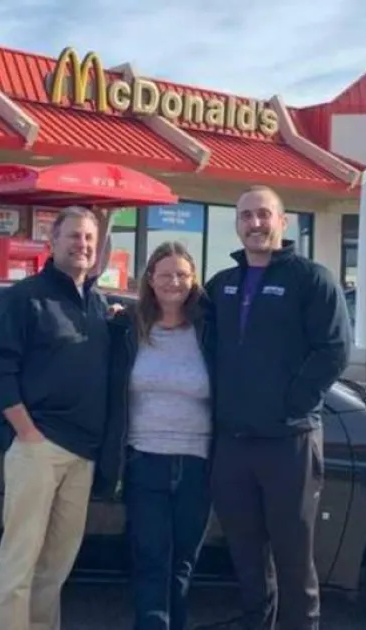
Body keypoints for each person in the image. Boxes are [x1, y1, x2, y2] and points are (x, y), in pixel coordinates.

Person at [202, 185, 351, 630]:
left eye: (264, 214)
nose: (255, 223)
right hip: (232, 443)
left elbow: (334, 349)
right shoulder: (221, 285)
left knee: (293, 554)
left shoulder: (312, 279)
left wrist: (290, 403)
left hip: (289, 442)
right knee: (245, 552)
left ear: (282, 222)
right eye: (246, 215)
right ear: (237, 224)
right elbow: (183, 328)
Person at [0, 206, 112, 630]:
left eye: (89, 238)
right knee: (20, 561)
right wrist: (27, 432)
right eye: (73, 236)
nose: (82, 245)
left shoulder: (97, 302)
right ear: (52, 242)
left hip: (82, 453)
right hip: (39, 446)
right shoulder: (27, 297)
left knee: (55, 567)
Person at [97, 242, 214, 630]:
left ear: (193, 279)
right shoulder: (127, 328)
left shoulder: (210, 330)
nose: (173, 282)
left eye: (181, 274)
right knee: (151, 562)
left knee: (182, 565)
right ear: (150, 279)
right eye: (164, 274)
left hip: (198, 465)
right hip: (145, 460)